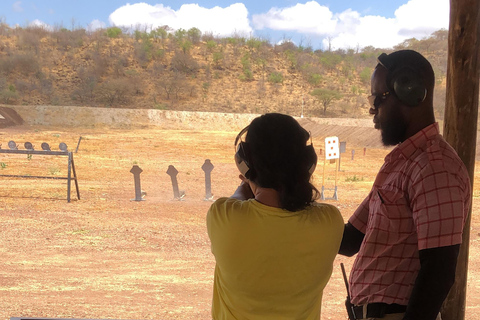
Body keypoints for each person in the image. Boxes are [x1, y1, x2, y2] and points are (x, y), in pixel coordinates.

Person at [339, 50, 471, 320]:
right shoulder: (402, 164)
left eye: (378, 98)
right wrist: (285, 202)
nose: (372, 109)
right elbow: (350, 239)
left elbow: (439, 270)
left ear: (411, 92)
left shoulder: (434, 167)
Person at [207, 113, 344, 320]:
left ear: (244, 163)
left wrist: (246, 184)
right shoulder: (329, 221)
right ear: (308, 164)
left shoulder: (223, 216)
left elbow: (238, 200)